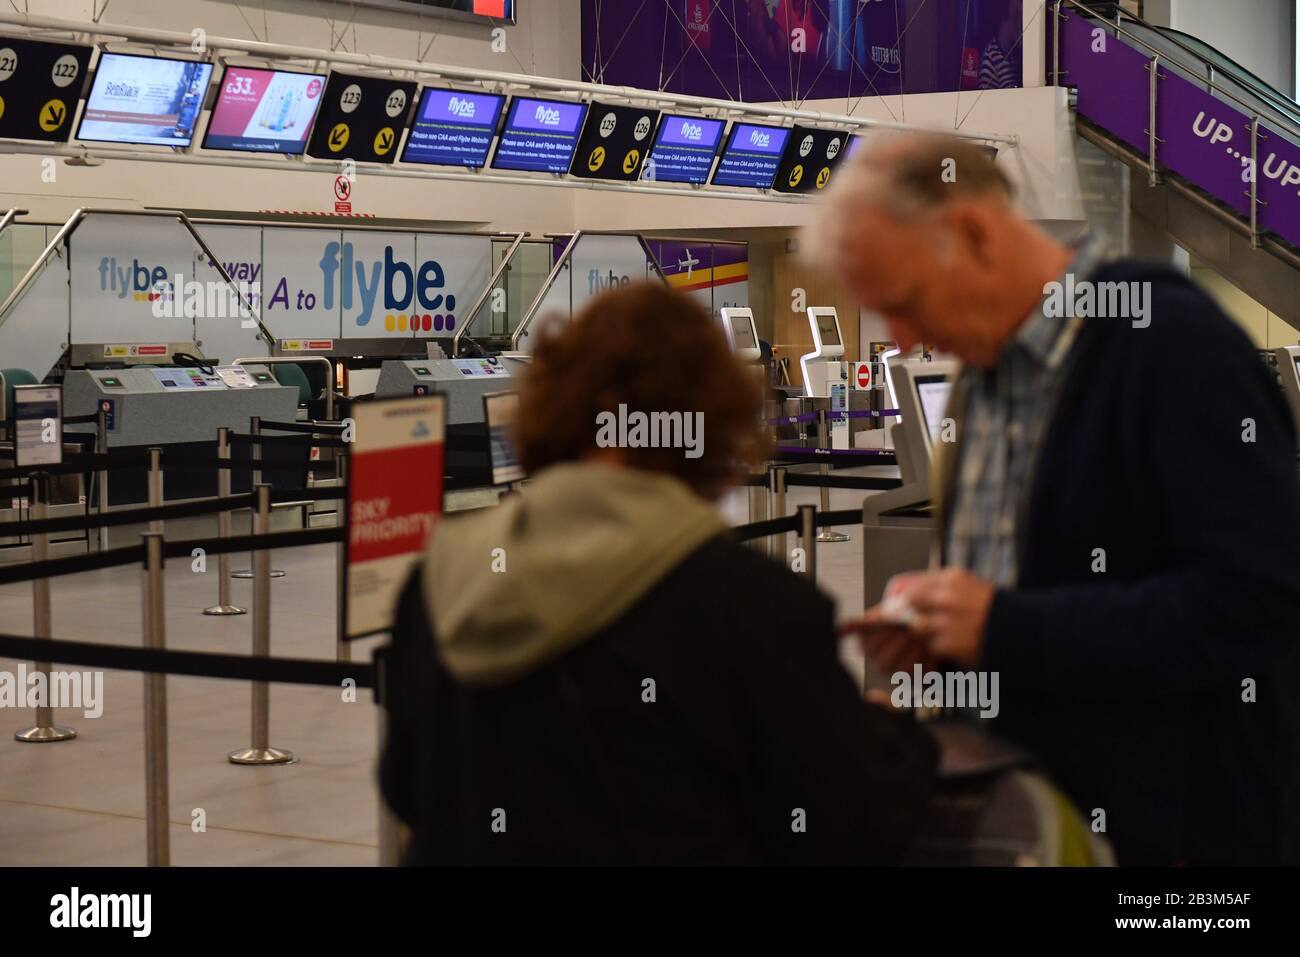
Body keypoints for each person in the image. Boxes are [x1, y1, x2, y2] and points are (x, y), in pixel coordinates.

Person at [813, 132, 1300, 865]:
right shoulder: (984, 379)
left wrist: (1004, 625)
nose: (906, 340)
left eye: (906, 303)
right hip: (1038, 827)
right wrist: (946, 634)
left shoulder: (1169, 344)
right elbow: (1044, 592)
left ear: (974, 233)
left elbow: (1259, 598)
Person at [379, 282, 937, 865]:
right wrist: (897, 729)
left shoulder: (442, 579)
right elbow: (853, 820)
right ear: (714, 423)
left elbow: (407, 786)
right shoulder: (752, 606)